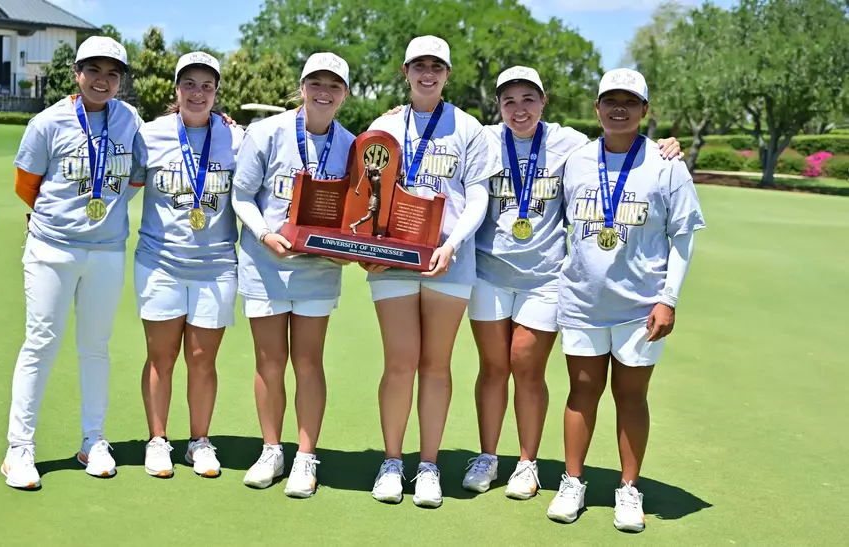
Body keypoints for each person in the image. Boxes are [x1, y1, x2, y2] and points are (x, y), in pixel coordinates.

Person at [463, 67, 682, 499]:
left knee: (526, 364)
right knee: (492, 368)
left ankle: (527, 464)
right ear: (498, 106)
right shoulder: (483, 140)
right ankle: (488, 455)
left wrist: (663, 146)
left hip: (545, 278)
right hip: (487, 273)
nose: (519, 109)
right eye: (509, 101)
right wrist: (394, 112)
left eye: (529, 99)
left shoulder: (570, 144)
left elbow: (618, 150)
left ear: (544, 102)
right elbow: (434, 134)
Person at [545, 68, 705, 532]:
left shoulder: (666, 164)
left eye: (630, 102)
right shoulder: (575, 160)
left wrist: (668, 299)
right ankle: (572, 481)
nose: (619, 109)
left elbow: (683, 237)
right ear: (596, 108)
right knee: (581, 393)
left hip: (642, 306)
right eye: (610, 100)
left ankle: (628, 490)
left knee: (631, 398)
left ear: (644, 111)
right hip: (582, 301)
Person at [362, 36, 503, 508]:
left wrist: (452, 243)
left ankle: (428, 466)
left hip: (450, 259)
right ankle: (391, 462)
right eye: (419, 65)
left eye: (436, 66)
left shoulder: (469, 129)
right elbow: (367, 192)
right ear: (405, 71)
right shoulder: (383, 126)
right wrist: (367, 244)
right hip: (393, 260)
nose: (428, 73)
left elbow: (478, 196)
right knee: (400, 362)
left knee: (436, 365)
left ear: (447, 73)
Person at [1, 36, 142, 489]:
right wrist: (62, 218)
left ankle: (93, 440)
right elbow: (27, 185)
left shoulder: (129, 120)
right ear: (77, 73)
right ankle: (19, 450)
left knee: (96, 347)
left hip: (106, 250)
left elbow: (135, 175)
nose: (103, 81)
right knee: (40, 344)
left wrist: (103, 207)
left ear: (120, 80)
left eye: (112, 73)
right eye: (94, 71)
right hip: (52, 250)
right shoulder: (47, 122)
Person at [230, 52, 355, 498]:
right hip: (266, 265)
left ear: (344, 94)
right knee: (269, 363)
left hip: (319, 269)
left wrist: (349, 248)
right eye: (316, 83)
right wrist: (264, 234)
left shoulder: (352, 144)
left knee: (308, 362)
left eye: (334, 85)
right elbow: (242, 196)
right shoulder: (267, 133)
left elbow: (357, 213)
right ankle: (271, 450)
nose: (324, 92)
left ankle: (305, 456)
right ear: (301, 87)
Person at [129, 52, 245, 478]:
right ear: (176, 90)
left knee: (202, 359)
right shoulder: (150, 135)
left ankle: (199, 441)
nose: (198, 93)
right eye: (190, 84)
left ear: (216, 93)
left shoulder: (237, 138)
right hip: (160, 262)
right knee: (160, 357)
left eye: (207, 86)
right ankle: (158, 440)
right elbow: (122, 180)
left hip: (216, 266)